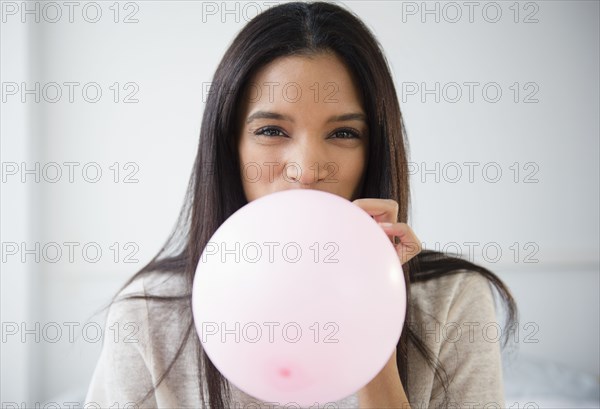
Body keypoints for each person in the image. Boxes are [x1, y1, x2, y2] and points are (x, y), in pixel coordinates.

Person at [84, 2, 517, 408]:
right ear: (229, 147)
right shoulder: (147, 313)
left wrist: (373, 322)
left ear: (375, 150)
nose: (307, 169)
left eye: (344, 133)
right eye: (272, 130)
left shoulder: (452, 299)